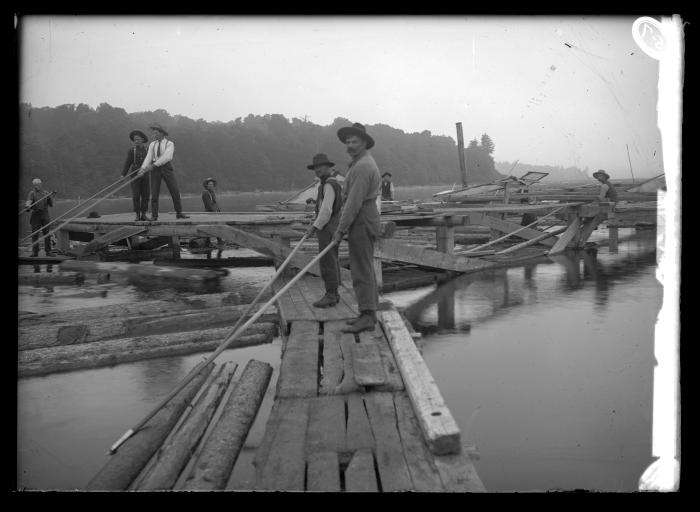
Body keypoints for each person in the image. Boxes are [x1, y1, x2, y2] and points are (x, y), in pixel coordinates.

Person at [331, 123, 382, 334]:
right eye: (348, 142)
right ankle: (366, 312)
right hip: (362, 218)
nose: (350, 145)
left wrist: (340, 230)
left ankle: (368, 316)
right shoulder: (358, 163)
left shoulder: (363, 166)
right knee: (364, 267)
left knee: (361, 269)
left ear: (364, 143)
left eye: (355, 142)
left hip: (362, 219)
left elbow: (353, 202)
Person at [305, 153, 343, 308]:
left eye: (321, 166)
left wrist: (314, 227)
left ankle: (331, 294)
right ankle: (334, 293)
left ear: (328, 167)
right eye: (316, 167)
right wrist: (314, 226)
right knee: (332, 260)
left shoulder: (329, 185)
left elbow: (326, 211)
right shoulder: (326, 184)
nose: (318, 170)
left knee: (328, 261)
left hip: (328, 228)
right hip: (328, 227)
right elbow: (322, 209)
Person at [138, 123, 189, 220]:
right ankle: (154, 216)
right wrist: (142, 169)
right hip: (155, 169)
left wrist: (154, 165)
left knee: (175, 191)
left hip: (166, 167)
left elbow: (167, 157)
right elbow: (148, 157)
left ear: (162, 134)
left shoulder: (169, 143)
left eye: (156, 133)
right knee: (154, 193)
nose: (154, 135)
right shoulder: (152, 144)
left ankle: (179, 213)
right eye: (153, 133)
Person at [122, 130, 150, 221]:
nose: (136, 141)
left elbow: (152, 161)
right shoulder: (132, 151)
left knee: (146, 195)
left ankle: (144, 214)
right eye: (135, 140)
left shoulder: (148, 150)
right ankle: (137, 214)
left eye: (138, 139)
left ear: (142, 139)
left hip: (145, 175)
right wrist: (123, 174)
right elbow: (127, 163)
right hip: (134, 176)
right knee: (136, 195)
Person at [25, 178, 56, 257]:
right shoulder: (32, 193)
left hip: (45, 214)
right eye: (35, 185)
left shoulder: (46, 193)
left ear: (40, 184)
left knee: (47, 233)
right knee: (35, 234)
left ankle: (48, 251)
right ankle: (35, 252)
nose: (36, 186)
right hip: (36, 215)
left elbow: (51, 204)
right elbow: (29, 201)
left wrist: (51, 197)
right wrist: (28, 205)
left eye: (37, 184)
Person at [201, 177, 223, 246]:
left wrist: (219, 211)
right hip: (209, 213)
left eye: (212, 184)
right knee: (209, 227)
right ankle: (209, 242)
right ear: (206, 185)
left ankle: (218, 241)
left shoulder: (212, 192)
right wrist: (214, 213)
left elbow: (215, 203)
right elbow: (208, 205)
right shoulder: (205, 193)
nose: (211, 185)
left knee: (215, 226)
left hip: (214, 213)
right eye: (209, 184)